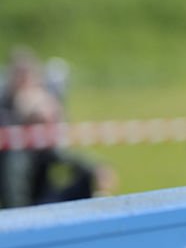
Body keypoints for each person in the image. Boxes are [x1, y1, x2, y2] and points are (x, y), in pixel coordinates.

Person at [0, 48, 115, 207]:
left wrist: (95, 167)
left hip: (42, 190)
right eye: (21, 78)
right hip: (20, 200)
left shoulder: (42, 104)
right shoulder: (8, 124)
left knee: (87, 177)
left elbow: (59, 153)